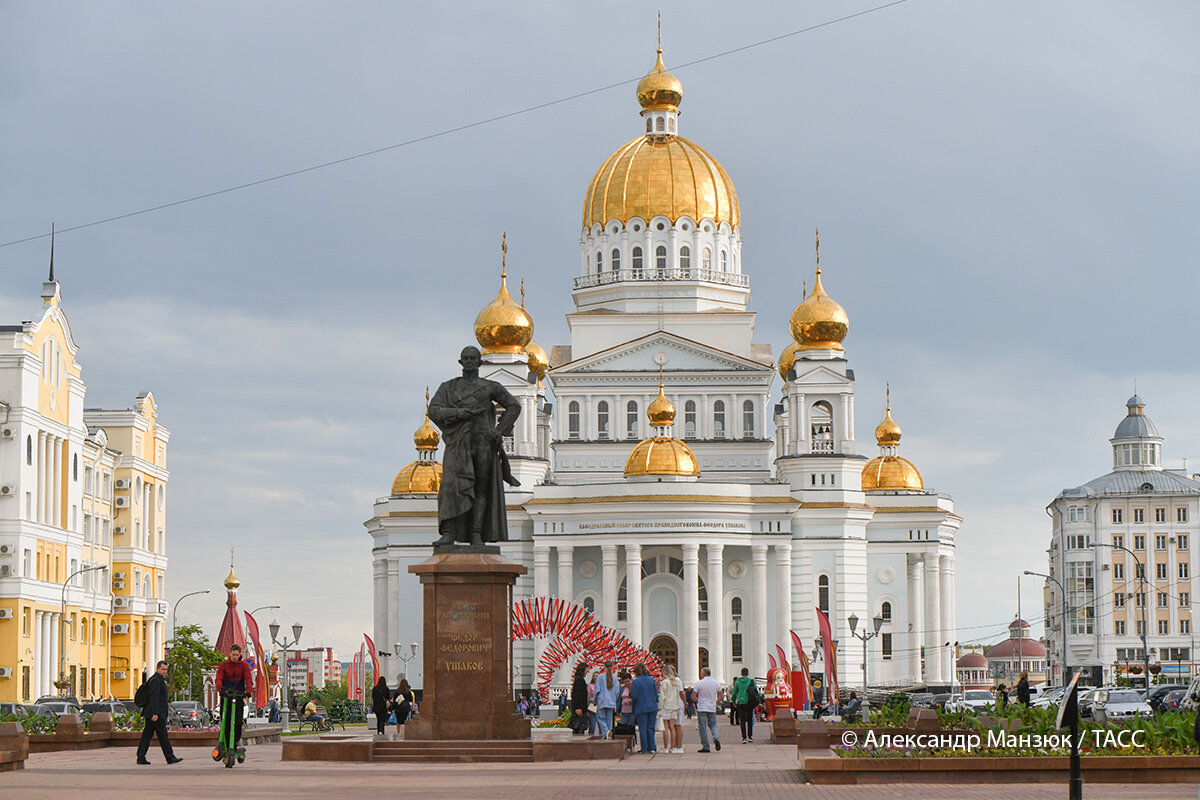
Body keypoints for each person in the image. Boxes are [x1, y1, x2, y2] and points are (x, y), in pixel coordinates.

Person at [429, 345, 522, 546]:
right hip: (458, 443)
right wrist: (456, 414)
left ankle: (476, 533)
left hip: (482, 443)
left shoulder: (490, 387)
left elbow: (514, 405)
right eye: (466, 358)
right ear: (460, 362)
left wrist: (499, 430)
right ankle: (450, 532)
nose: (470, 361)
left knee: (481, 489)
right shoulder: (448, 387)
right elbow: (434, 410)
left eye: (473, 358)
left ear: (479, 363)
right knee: (451, 486)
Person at [136, 660, 181, 765]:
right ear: (158, 669)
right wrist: (155, 713)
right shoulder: (156, 680)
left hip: (153, 713)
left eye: (166, 669)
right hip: (156, 714)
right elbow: (154, 698)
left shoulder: (158, 679)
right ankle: (170, 757)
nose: (165, 671)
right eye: (163, 669)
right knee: (163, 735)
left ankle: (141, 757)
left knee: (147, 735)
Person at [214, 644, 255, 752]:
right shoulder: (223, 665)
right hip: (226, 695)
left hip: (238, 696)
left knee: (237, 722)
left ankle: (234, 742)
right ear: (230, 654)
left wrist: (248, 691)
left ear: (239, 655)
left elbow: (248, 678)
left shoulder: (243, 666)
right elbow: (218, 678)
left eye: (237, 655)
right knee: (226, 721)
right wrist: (220, 689)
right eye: (233, 654)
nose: (235, 657)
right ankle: (225, 744)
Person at [691, 667, 723, 753]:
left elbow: (693, 696)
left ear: (704, 674)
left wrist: (698, 701)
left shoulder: (699, 683)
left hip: (702, 707)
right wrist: (716, 702)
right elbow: (721, 695)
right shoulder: (716, 683)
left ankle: (706, 746)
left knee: (703, 727)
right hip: (712, 707)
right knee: (713, 725)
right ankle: (715, 737)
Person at [629, 663, 658, 754]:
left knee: (642, 728)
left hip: (641, 707)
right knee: (651, 728)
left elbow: (633, 695)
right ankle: (652, 747)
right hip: (652, 706)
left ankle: (644, 748)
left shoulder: (636, 682)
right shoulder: (651, 680)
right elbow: (655, 694)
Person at [657, 664, 685, 754]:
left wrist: (660, 706)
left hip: (666, 706)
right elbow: (678, 695)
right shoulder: (675, 682)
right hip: (674, 706)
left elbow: (662, 696)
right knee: (672, 727)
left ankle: (665, 747)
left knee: (665, 727)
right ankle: (672, 747)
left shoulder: (665, 682)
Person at [594, 661, 620, 739]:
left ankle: (605, 732)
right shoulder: (615, 677)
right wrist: (615, 700)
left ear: (604, 667)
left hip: (602, 701)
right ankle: (606, 736)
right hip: (611, 702)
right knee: (609, 720)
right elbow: (617, 692)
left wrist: (595, 701)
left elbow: (597, 690)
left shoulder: (600, 677)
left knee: (600, 718)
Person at [732, 667, 757, 743]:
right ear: (748, 673)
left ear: (741, 673)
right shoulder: (751, 681)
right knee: (750, 719)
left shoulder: (737, 682)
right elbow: (756, 692)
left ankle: (744, 738)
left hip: (741, 703)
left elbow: (734, 693)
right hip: (749, 702)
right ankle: (750, 737)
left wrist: (733, 701)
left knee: (742, 720)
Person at [570, 662, 589, 735]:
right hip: (580, 708)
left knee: (577, 728)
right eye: (586, 669)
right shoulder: (580, 680)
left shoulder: (578, 679)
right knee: (579, 728)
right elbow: (578, 695)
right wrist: (579, 708)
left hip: (579, 707)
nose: (587, 671)